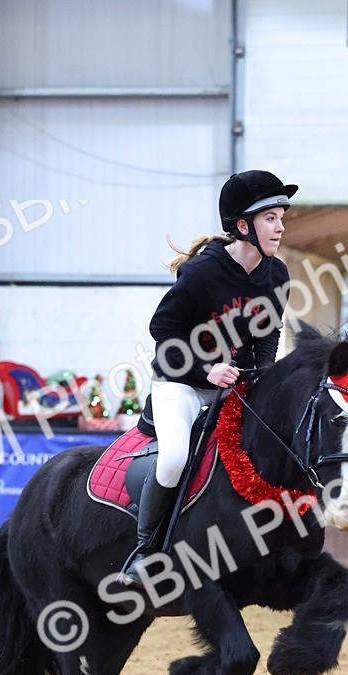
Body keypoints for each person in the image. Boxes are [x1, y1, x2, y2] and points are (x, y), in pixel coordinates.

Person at [118, 169, 297, 586]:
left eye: (281, 218)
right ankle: (144, 553)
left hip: (233, 386)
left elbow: (267, 333)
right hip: (181, 383)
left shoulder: (277, 276)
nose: (280, 227)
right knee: (175, 459)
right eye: (270, 218)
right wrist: (206, 368)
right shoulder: (202, 272)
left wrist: (262, 377)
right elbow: (163, 330)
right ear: (243, 226)